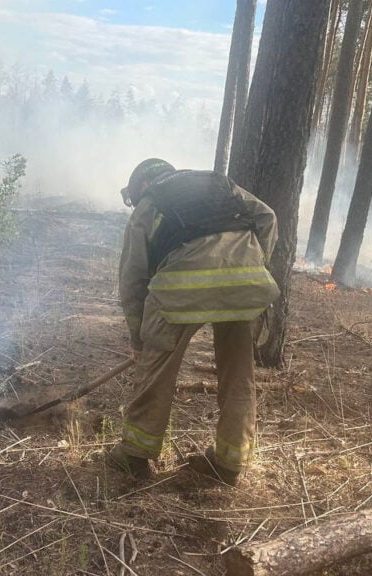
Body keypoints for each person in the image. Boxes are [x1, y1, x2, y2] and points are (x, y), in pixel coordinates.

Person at [108, 158, 278, 486]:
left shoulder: (150, 201)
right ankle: (230, 463)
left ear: (142, 183)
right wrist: (256, 263)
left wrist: (138, 339)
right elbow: (267, 216)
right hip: (243, 285)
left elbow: (132, 278)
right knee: (239, 374)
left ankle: (134, 457)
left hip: (179, 289)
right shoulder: (217, 182)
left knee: (156, 369)